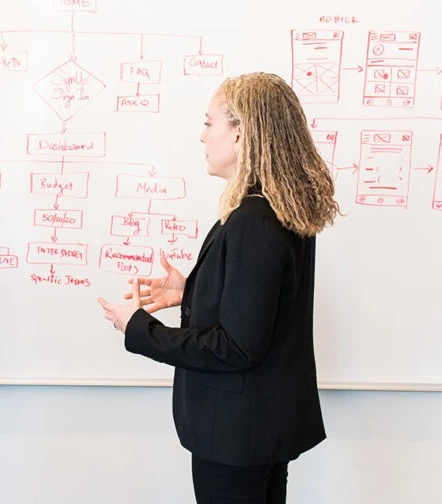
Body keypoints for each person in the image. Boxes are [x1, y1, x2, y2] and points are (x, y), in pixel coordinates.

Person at [97, 72, 340, 504]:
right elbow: (264, 307)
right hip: (260, 428)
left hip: (237, 436)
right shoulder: (282, 210)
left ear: (241, 133)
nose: (202, 135)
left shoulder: (253, 220)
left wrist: (139, 329)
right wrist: (191, 290)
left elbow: (237, 346)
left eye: (210, 123)